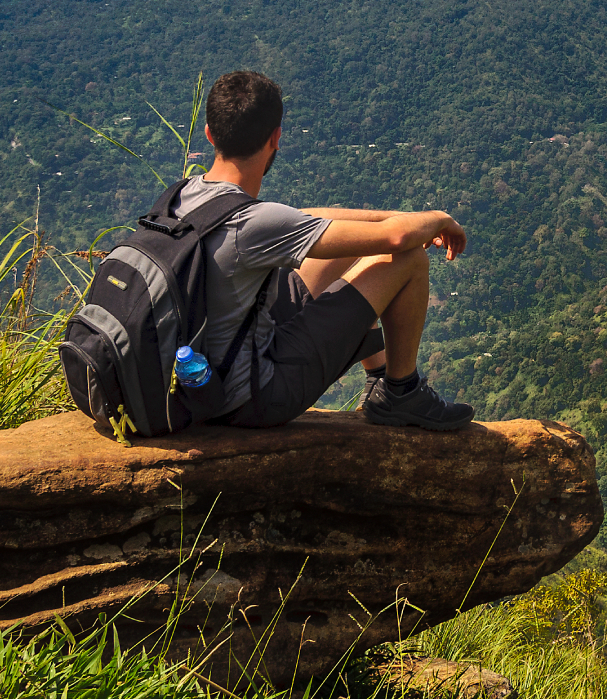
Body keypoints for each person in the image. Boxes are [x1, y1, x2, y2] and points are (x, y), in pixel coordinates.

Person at [169, 70, 474, 430]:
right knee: (407, 257)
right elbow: (394, 240)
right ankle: (401, 393)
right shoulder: (254, 223)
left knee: (349, 245)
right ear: (276, 138)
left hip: (210, 371)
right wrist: (438, 218)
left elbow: (305, 218)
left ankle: (378, 376)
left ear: (209, 134)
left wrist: (399, 218)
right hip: (253, 396)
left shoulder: (181, 195)